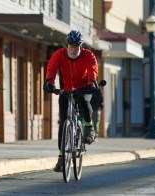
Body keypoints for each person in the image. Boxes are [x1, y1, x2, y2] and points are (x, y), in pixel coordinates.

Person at [43, 30, 98, 172]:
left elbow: (92, 69)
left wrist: (92, 82)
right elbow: (51, 68)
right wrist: (49, 82)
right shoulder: (59, 54)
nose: (73, 49)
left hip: (83, 87)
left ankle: (89, 127)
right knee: (63, 121)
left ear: (80, 45)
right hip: (66, 89)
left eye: (76, 46)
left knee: (83, 101)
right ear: (67, 45)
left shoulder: (88, 55)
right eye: (71, 46)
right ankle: (61, 158)